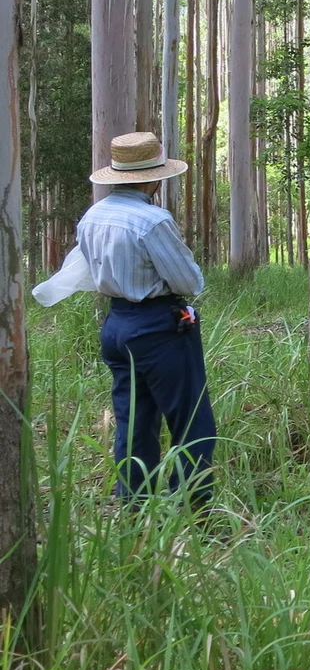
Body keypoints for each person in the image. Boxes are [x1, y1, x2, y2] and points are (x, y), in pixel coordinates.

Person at [76, 132, 215, 505]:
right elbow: (188, 280)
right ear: (153, 177)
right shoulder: (152, 220)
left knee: (133, 421)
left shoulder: (93, 216)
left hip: (116, 325)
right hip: (159, 326)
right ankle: (191, 510)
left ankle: (134, 506)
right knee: (192, 422)